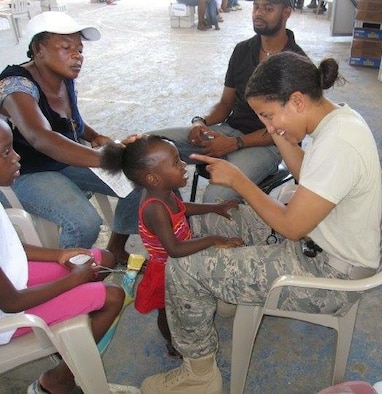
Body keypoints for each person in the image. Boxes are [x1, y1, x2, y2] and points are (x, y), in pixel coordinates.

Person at [140, 52, 382, 393]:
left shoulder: (339, 142)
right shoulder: (337, 121)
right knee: (216, 218)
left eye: (268, 115)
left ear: (297, 101)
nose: (266, 127)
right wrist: (279, 130)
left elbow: (292, 227)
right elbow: (305, 174)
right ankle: (220, 290)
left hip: (327, 275)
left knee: (182, 268)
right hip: (317, 243)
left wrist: (239, 180)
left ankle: (200, 376)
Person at [0, 11, 142, 263]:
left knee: (139, 179)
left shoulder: (62, 75)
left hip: (63, 160)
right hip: (28, 172)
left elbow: (69, 119)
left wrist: (96, 136)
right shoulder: (16, 85)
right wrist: (109, 158)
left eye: (80, 49)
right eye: (66, 47)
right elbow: (40, 137)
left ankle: (116, 248)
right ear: (38, 49)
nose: (77, 56)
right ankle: (68, 282)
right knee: (84, 223)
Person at [0, 118, 126, 394]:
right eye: (6, 152)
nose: (17, 156)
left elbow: (10, 247)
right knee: (113, 295)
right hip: (9, 315)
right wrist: (73, 280)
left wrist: (60, 254)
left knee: (103, 259)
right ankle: (57, 381)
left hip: (15, 277)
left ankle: (73, 341)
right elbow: (11, 302)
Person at [101, 135, 244, 358]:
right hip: (166, 268)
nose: (184, 165)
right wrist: (213, 239)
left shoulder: (164, 193)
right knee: (168, 310)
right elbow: (175, 249)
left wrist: (214, 208)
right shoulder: (154, 208)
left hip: (179, 260)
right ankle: (172, 341)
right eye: (176, 162)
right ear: (153, 178)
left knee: (182, 302)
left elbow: (181, 208)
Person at [151, 0, 307, 203]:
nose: (258, 13)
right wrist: (201, 122)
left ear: (287, 12)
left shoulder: (298, 64)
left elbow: (287, 131)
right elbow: (226, 103)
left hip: (268, 144)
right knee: (146, 149)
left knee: (216, 198)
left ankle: (211, 231)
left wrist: (234, 144)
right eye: (256, 6)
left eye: (268, 9)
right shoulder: (242, 50)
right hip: (228, 130)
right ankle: (175, 216)